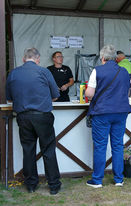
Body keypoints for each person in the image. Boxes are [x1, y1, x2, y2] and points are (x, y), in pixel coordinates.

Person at [6, 48, 62, 195]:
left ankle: (31, 184)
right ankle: (54, 185)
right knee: (48, 150)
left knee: (28, 150)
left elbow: (10, 98)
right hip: (42, 116)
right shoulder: (44, 71)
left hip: (23, 116)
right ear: (37, 59)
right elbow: (56, 95)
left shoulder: (13, 73)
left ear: (24, 59)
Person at [85, 45, 131, 188]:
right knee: (117, 145)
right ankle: (119, 179)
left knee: (100, 146)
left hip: (102, 112)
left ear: (102, 58)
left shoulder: (97, 71)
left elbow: (89, 94)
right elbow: (127, 92)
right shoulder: (124, 72)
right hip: (121, 113)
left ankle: (97, 180)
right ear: (115, 58)